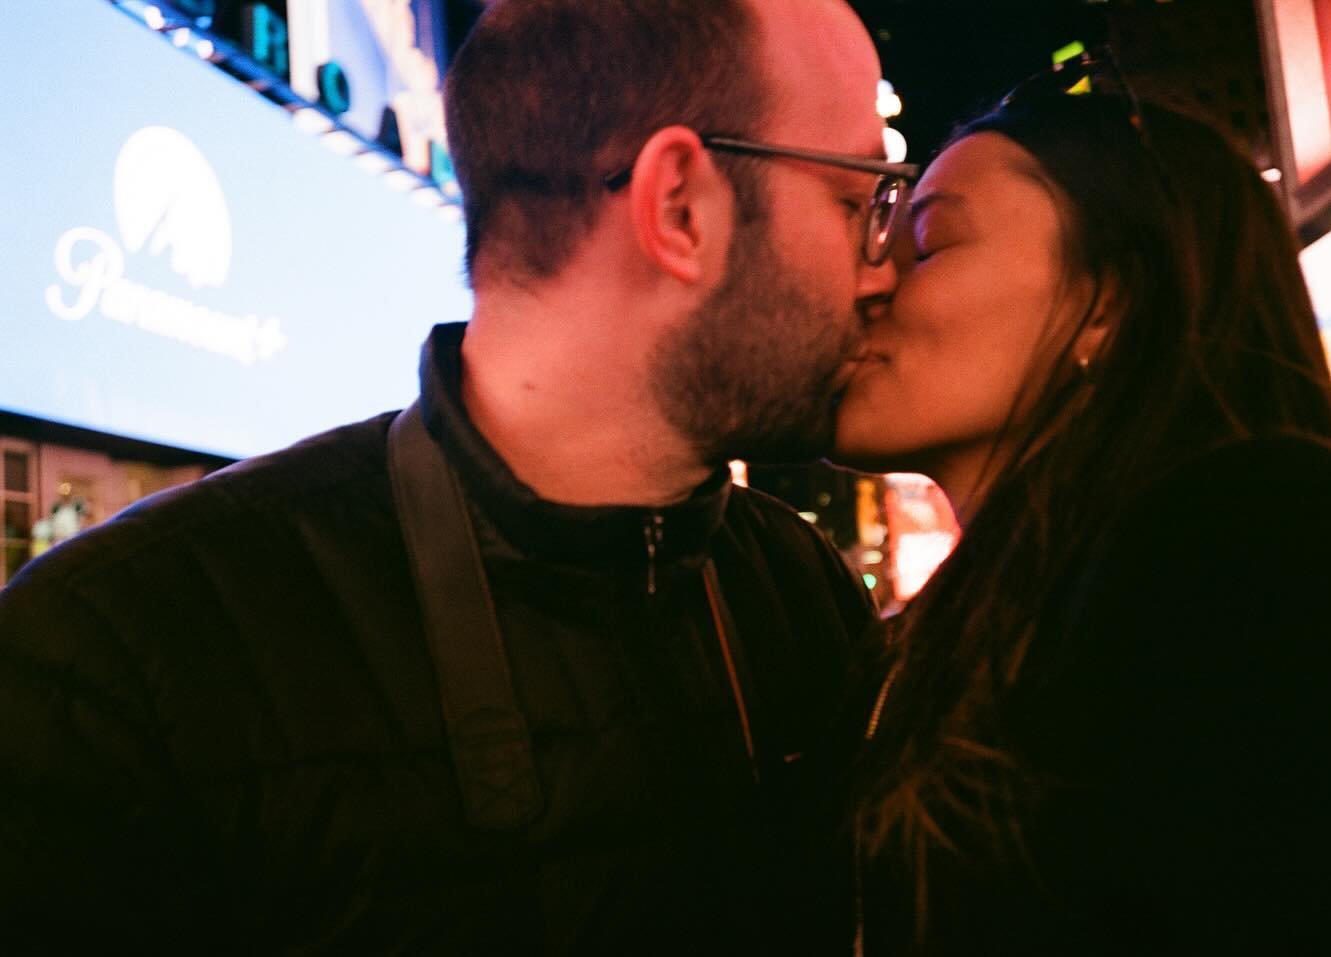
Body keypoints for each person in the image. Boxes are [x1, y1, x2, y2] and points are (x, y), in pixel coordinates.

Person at [0, 0, 916, 951]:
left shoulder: (802, 595)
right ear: (679, 206)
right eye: (860, 200)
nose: (883, 270)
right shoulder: (118, 664)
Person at [833, 66, 1331, 955]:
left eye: (928, 246)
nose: (870, 283)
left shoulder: (1263, 569)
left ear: (1107, 301)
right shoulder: (1018, 614)